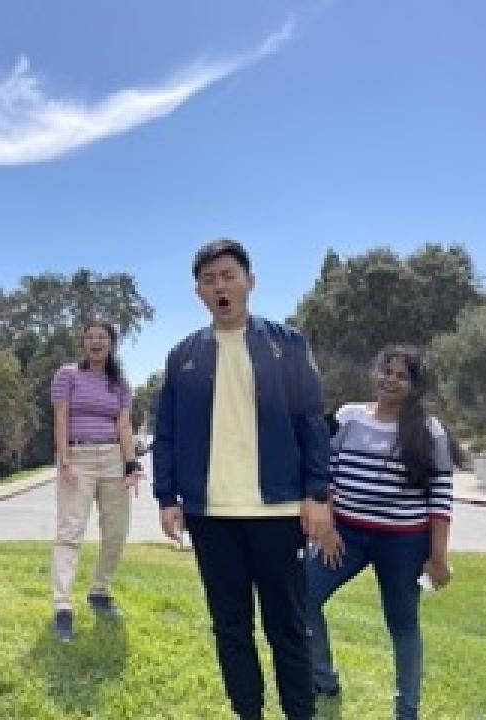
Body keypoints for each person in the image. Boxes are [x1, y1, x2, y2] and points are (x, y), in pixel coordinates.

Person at [153, 238, 332, 720]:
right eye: (209, 280)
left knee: (288, 627)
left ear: (250, 282)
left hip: (277, 511)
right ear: (199, 293)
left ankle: (300, 713)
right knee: (230, 627)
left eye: (228, 276)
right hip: (210, 516)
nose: (220, 287)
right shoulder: (183, 356)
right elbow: (165, 429)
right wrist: (167, 496)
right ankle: (247, 712)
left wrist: (318, 494)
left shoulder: (287, 344)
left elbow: (312, 420)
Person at [307, 345, 453, 720]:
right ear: (376, 374)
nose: (391, 380)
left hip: (404, 542)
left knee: (402, 624)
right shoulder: (348, 417)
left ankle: (407, 710)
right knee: (302, 597)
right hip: (345, 537)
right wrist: (326, 526)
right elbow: (324, 472)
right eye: (386, 371)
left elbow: (440, 498)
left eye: (402, 375)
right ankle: (323, 680)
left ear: (413, 385)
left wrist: (438, 558)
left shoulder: (428, 430)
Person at [50, 320, 143, 641]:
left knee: (116, 532)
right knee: (70, 532)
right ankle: (62, 606)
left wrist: (131, 465)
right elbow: (61, 417)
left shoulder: (120, 384)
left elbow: (125, 426)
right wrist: (64, 461)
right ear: (83, 343)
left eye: (102, 336)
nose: (95, 341)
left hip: (114, 460)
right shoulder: (68, 375)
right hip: (78, 458)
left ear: (111, 343)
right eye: (89, 336)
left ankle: (99, 590)